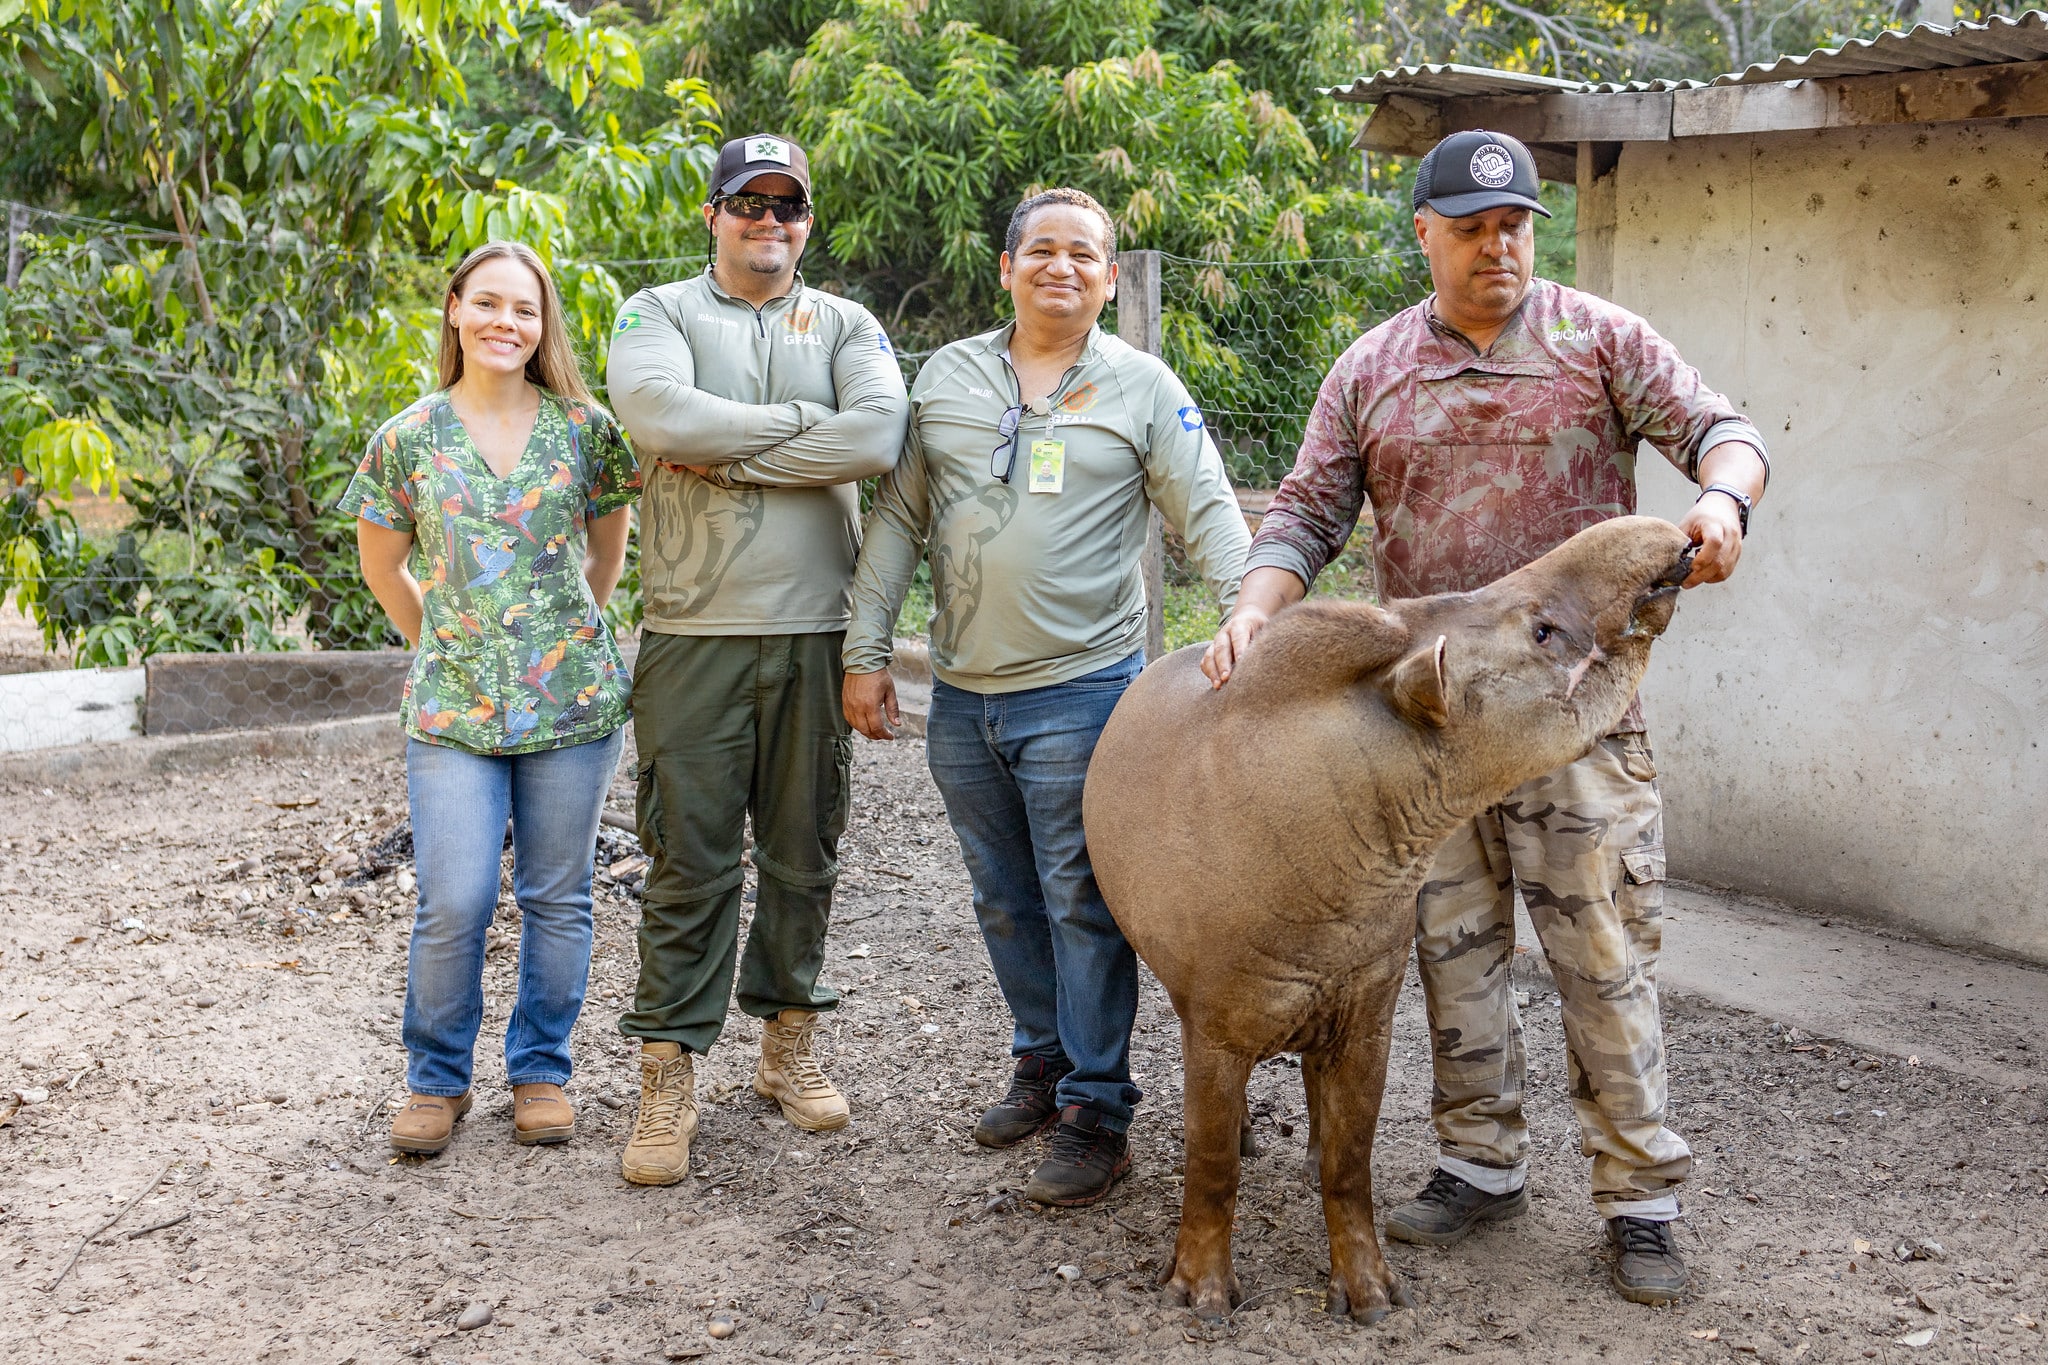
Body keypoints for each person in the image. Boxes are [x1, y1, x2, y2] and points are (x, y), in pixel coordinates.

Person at [1202, 130, 1769, 1305]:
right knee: (1451, 956)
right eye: (1469, 226)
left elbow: (1724, 432)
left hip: (1573, 720)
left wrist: (1720, 500)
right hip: (1428, 732)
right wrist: (1256, 611)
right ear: (1423, 232)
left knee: (1602, 955)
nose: (1496, 245)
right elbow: (1305, 509)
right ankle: (1477, 1164)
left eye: (1513, 224)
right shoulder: (1370, 368)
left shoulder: (1596, 339)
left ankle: (1640, 1198)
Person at [843, 188, 1250, 1207]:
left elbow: (1204, 510)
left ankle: (1097, 1108)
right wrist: (864, 649)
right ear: (1006, 267)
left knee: (1078, 901)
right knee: (1001, 897)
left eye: (1084, 254)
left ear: (1110, 279)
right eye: (1042, 250)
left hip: (1083, 693)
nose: (1061, 266)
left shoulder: (1141, 388)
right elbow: (897, 515)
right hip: (959, 694)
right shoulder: (945, 375)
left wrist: (1251, 613)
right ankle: (1039, 1063)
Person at [604, 134, 910, 1187]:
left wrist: (728, 447)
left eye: (787, 207)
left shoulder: (848, 324)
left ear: (806, 223)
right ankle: (668, 1070)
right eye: (748, 203)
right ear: (713, 213)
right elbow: (655, 412)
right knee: (687, 861)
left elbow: (875, 439)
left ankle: (787, 1045)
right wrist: (798, 426)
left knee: (802, 849)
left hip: (815, 632)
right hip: (692, 634)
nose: (767, 223)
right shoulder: (656, 313)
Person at [347, 240, 639, 1156]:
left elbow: (607, 555)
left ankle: (541, 1071)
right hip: (453, 709)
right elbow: (382, 563)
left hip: (572, 706)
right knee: (457, 897)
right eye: (489, 305)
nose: (506, 323)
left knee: (559, 895)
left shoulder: (586, 430)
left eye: (524, 309)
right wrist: (441, 636)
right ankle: (435, 1082)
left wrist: (556, 638)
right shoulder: (408, 436)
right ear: (455, 312)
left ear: (543, 324)